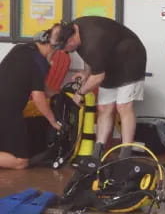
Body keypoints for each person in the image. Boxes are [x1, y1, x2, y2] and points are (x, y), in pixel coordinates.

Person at [49, 16, 147, 160]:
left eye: (65, 49)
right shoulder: (74, 29)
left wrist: (80, 93)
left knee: (123, 106)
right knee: (104, 108)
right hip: (109, 63)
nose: (65, 52)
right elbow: (89, 57)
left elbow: (98, 76)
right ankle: (98, 149)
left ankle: (126, 152)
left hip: (131, 60)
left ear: (70, 41)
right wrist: (86, 72)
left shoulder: (93, 41)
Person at [0, 29, 61, 169]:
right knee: (21, 162)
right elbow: (38, 97)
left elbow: (38, 83)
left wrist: (57, 94)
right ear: (50, 45)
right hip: (6, 112)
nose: (54, 55)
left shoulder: (21, 48)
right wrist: (53, 121)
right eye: (55, 50)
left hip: (5, 108)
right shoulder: (40, 63)